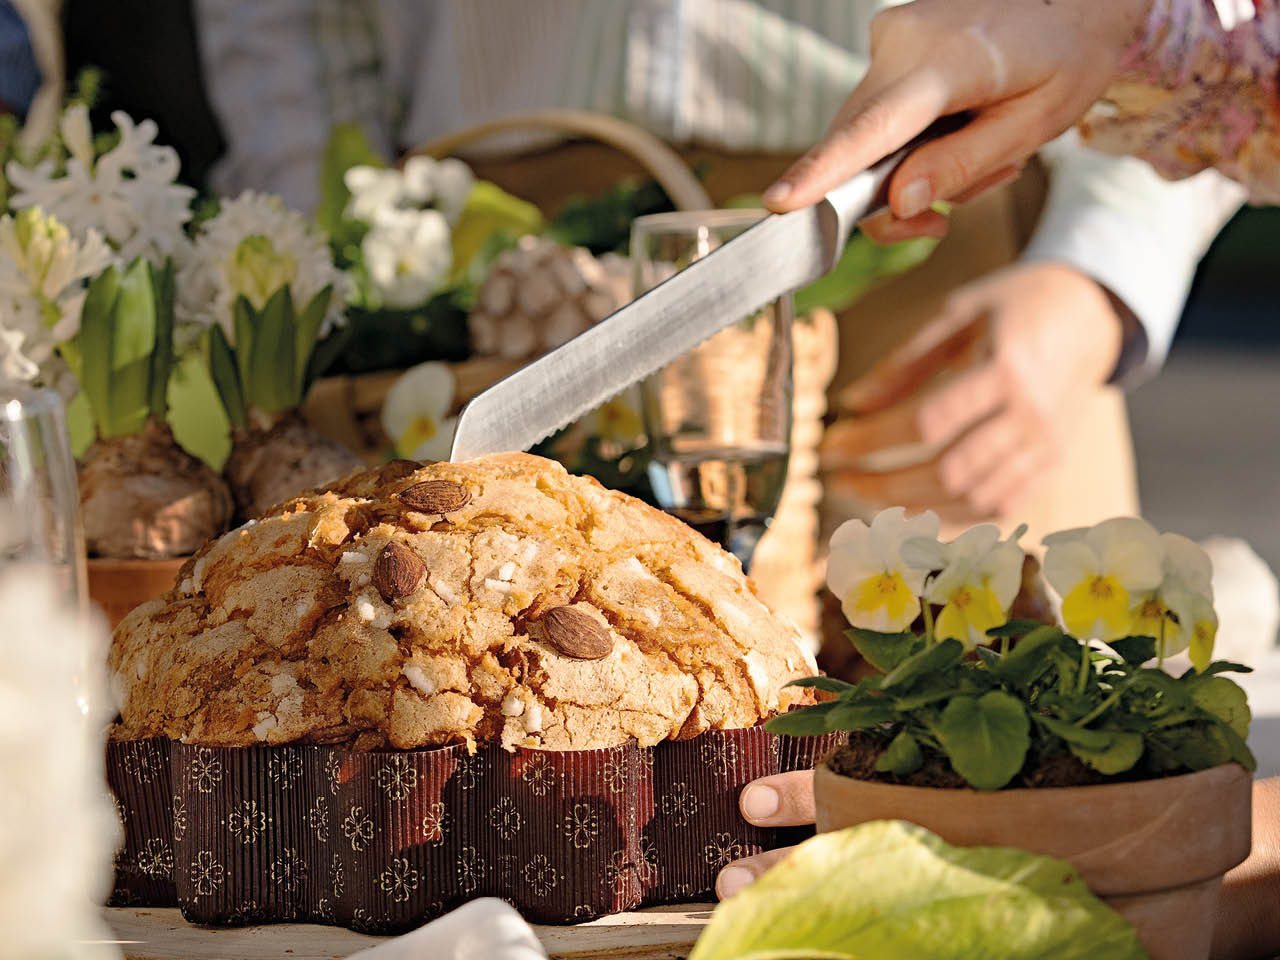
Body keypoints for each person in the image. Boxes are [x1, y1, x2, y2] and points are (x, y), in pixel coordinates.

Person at [728, 4, 1280, 959]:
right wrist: (1110, 31)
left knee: (1037, 638)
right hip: (566, 247)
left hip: (966, 235)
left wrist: (1097, 271)